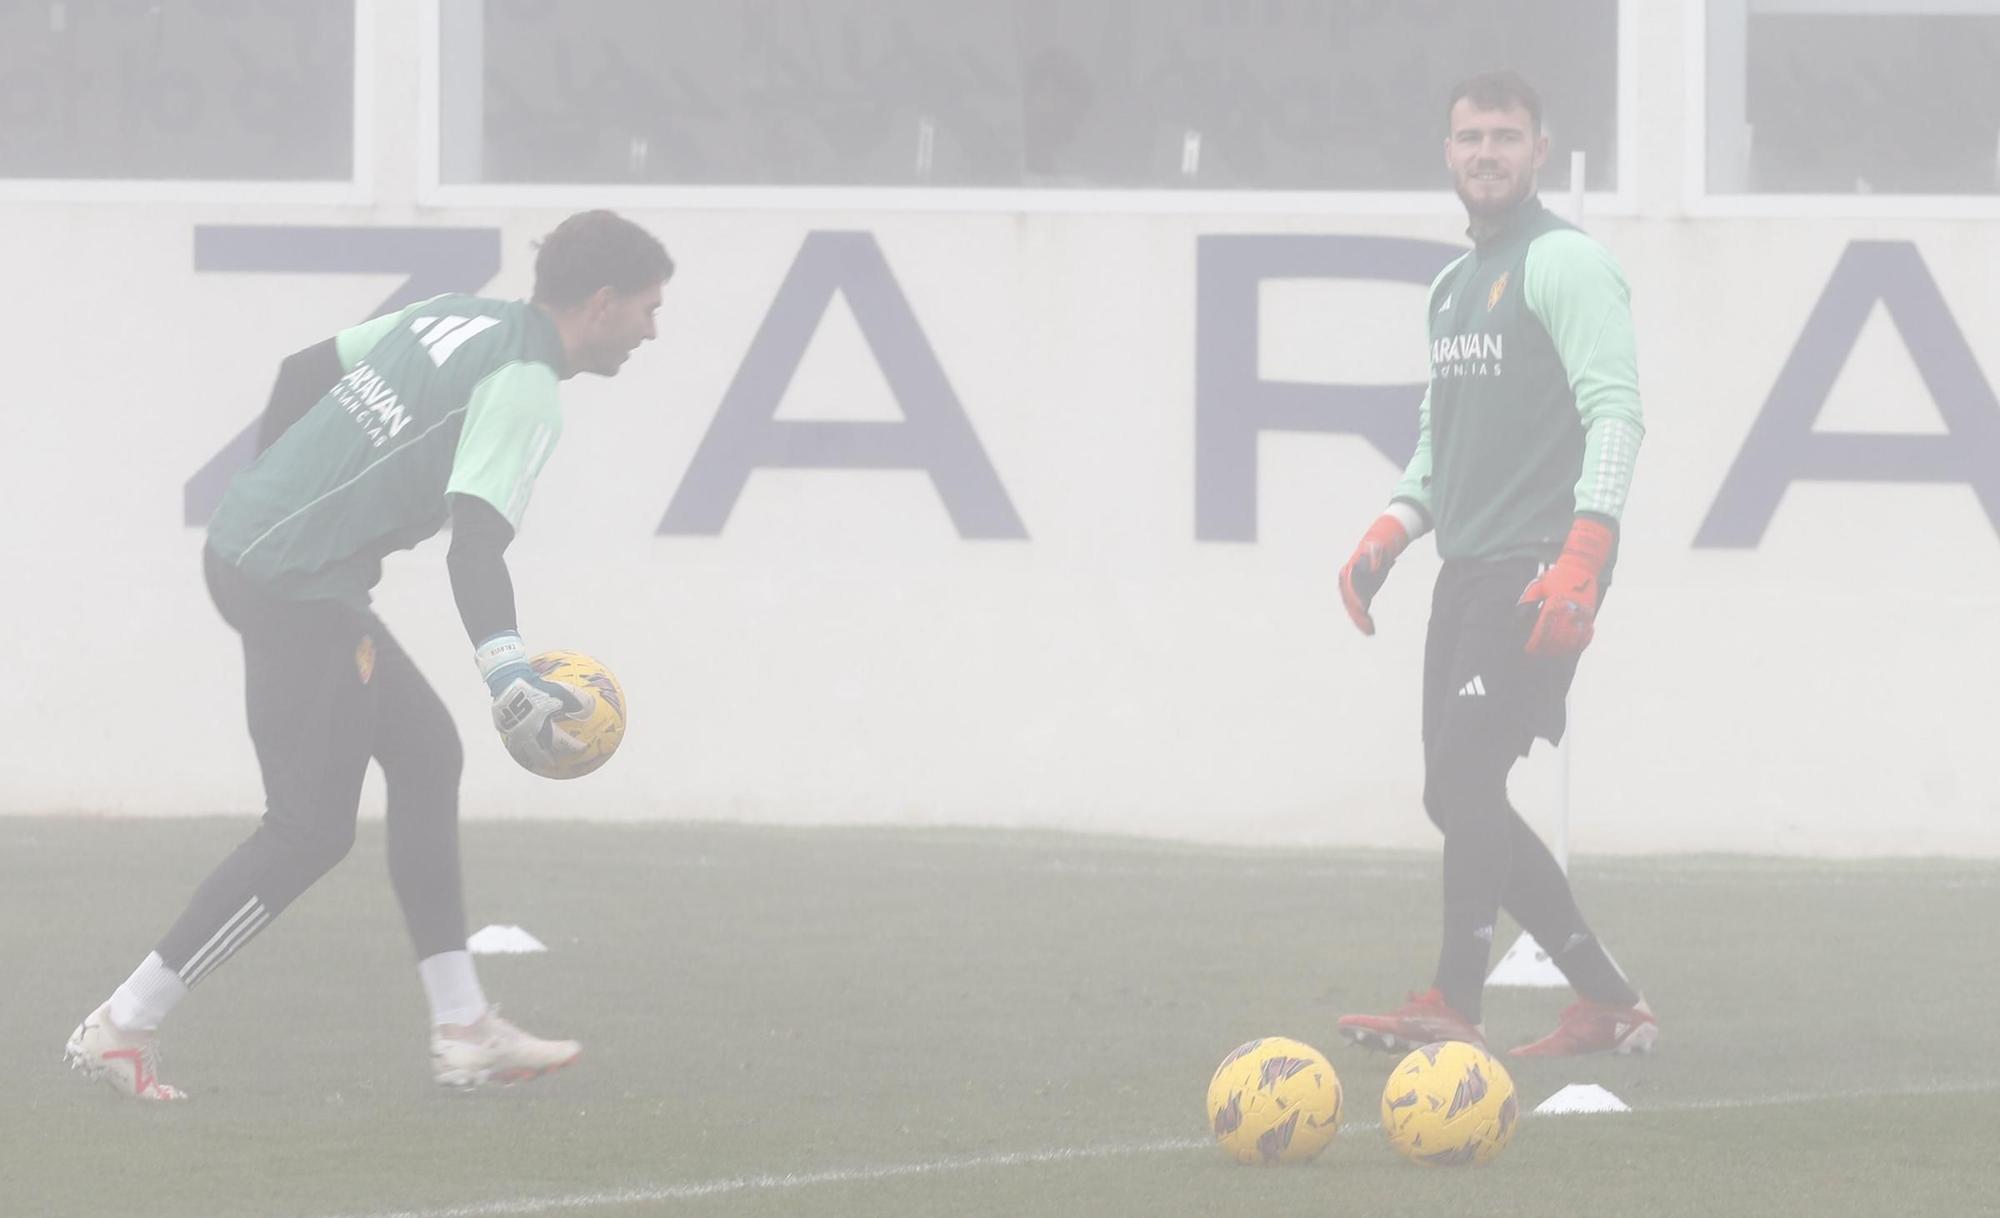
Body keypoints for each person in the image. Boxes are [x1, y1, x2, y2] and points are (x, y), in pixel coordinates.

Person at [64, 210, 673, 1099]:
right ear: (604, 302)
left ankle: (464, 1026)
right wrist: (508, 671)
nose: (655, 330)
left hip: (257, 554)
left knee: (427, 754)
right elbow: (476, 547)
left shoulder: (451, 315)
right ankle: (123, 1023)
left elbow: (301, 372)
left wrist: (285, 492)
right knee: (309, 830)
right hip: (296, 585)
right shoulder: (527, 384)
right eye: (650, 309)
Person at [1333, 72, 1657, 1058]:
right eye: (1469, 135)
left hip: (1538, 566)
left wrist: (1584, 551)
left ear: (1537, 148)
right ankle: (1605, 1002)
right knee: (1450, 793)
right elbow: (1440, 441)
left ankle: (1452, 1004)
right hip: (1467, 568)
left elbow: (1615, 412)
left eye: (1503, 136)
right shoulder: (1450, 287)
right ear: (1447, 150)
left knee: (1466, 774)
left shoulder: (1565, 261)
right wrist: (1387, 532)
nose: (1484, 152)